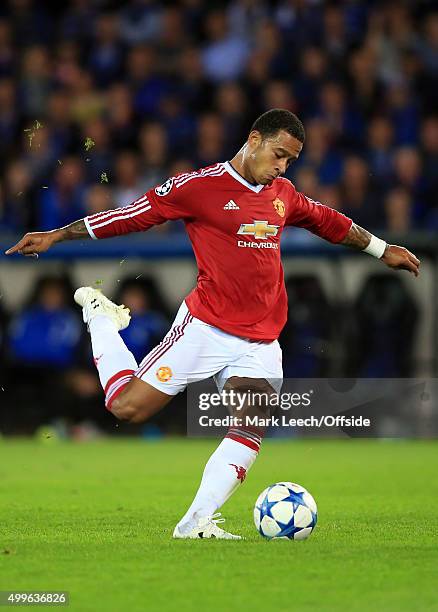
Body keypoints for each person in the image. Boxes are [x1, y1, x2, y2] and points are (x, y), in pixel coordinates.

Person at [5, 109, 420, 539]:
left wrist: (381, 248)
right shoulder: (197, 187)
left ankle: (195, 523)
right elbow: (131, 214)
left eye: (290, 161)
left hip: (260, 339)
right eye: (278, 154)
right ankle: (100, 319)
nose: (281, 167)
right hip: (204, 328)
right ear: (254, 139)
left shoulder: (282, 193)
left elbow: (327, 220)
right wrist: (58, 235)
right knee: (126, 408)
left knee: (251, 423)